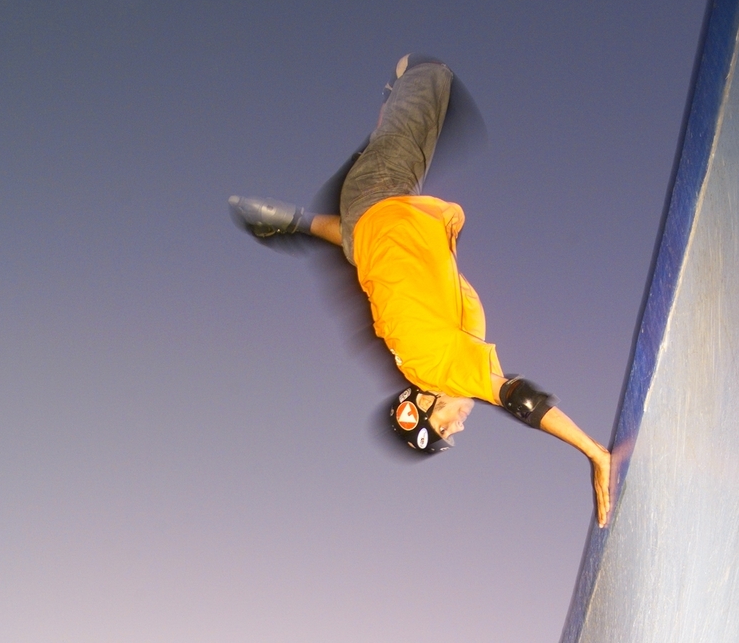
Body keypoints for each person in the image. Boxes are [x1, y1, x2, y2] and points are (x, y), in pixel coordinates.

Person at [230, 54, 612, 527]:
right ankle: (298, 222)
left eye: (446, 425)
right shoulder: (422, 351)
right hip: (363, 225)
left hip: (382, 194)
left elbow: (521, 400)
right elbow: (375, 262)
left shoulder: (439, 369)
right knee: (359, 243)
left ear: (426, 403)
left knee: (433, 75)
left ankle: (402, 81)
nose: (459, 427)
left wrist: (594, 453)